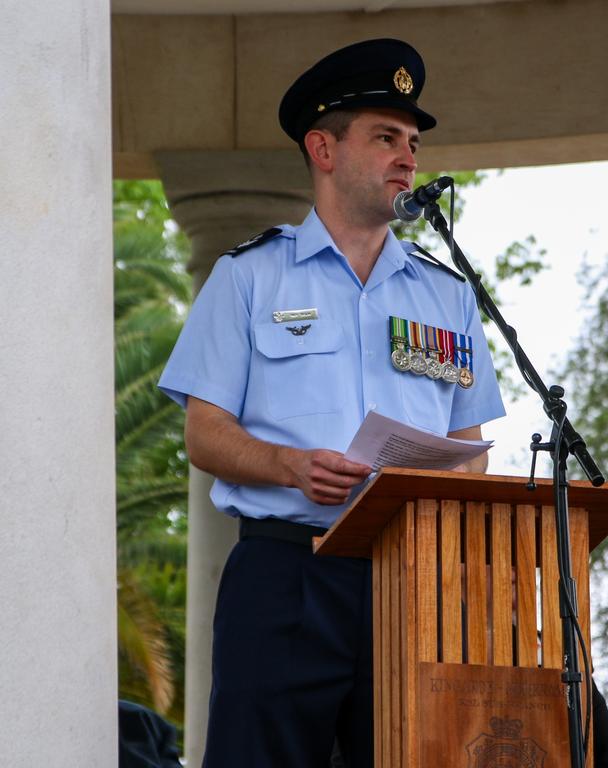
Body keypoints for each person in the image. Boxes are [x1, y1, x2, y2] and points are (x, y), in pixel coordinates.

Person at [158, 38, 505, 767]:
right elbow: (204, 434)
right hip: (287, 574)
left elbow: (469, 446)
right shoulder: (249, 277)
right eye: (385, 137)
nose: (408, 157)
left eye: (411, 141)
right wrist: (288, 465)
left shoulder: (447, 294)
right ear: (323, 147)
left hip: (413, 579)